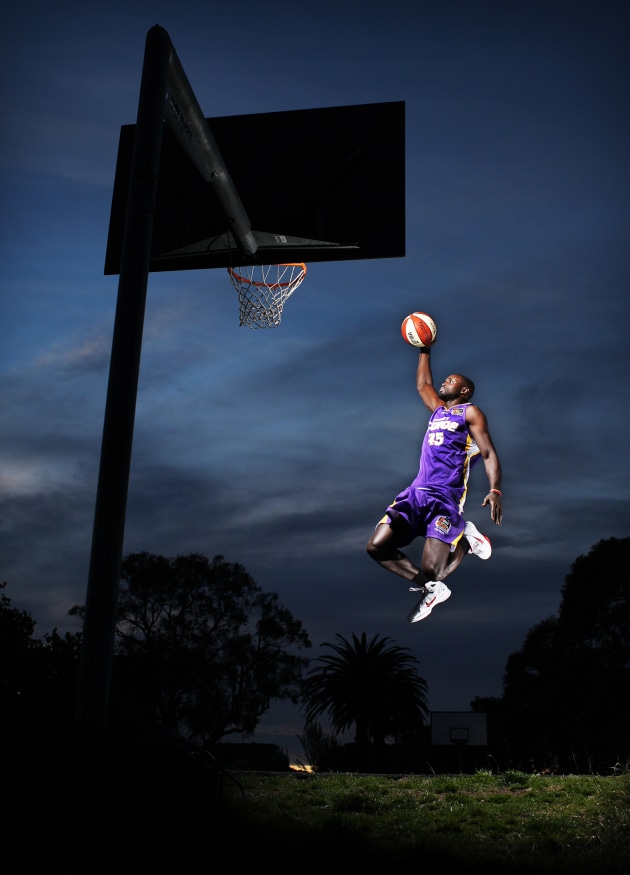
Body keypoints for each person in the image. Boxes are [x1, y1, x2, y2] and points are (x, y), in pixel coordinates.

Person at [366, 343, 503, 623]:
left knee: (435, 569)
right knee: (376, 547)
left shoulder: (471, 413)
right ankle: (433, 591)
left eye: (451, 380)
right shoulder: (437, 411)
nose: (444, 381)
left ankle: (466, 541)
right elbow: (423, 384)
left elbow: (488, 452)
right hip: (415, 494)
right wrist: (425, 348)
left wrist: (495, 490)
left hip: (445, 499)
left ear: (464, 391)